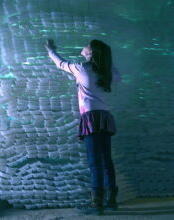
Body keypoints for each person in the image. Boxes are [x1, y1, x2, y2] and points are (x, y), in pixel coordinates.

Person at [46, 39, 119, 215]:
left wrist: (51, 50)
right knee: (106, 160)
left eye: (87, 45)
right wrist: (106, 60)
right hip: (105, 117)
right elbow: (117, 76)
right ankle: (111, 201)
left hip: (90, 117)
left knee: (94, 162)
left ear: (91, 52)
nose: (84, 46)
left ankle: (97, 204)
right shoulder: (108, 71)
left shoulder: (82, 68)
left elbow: (61, 64)